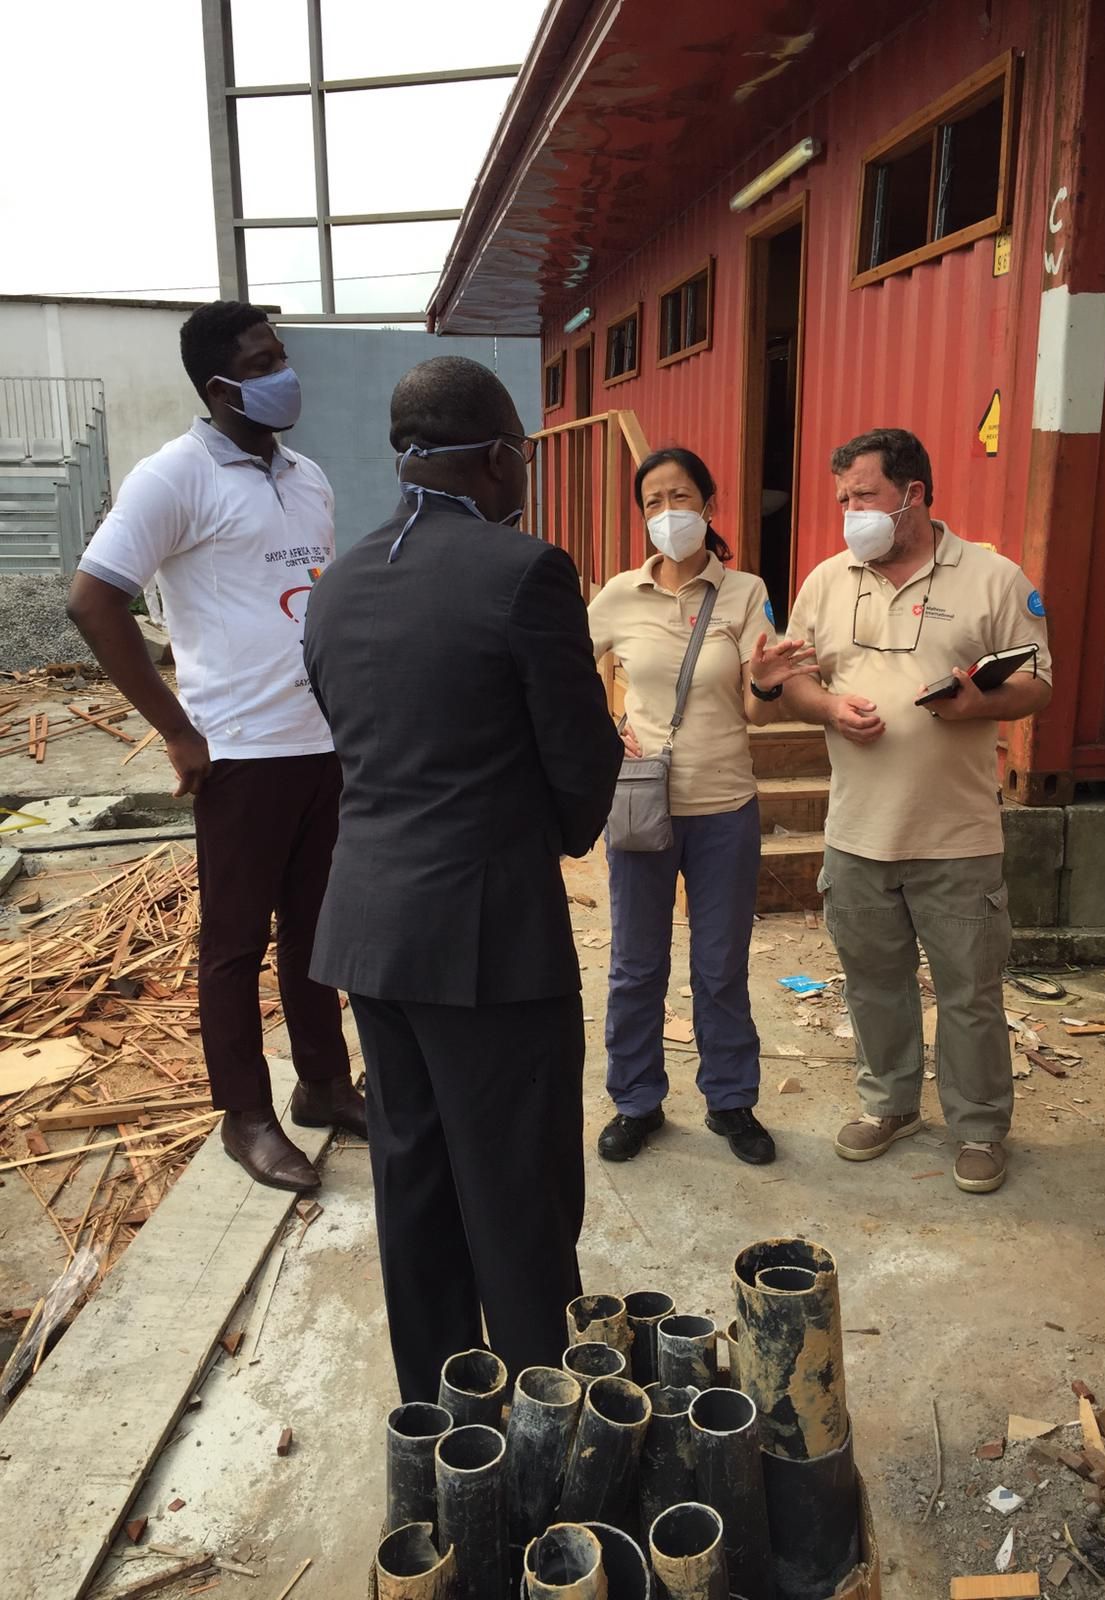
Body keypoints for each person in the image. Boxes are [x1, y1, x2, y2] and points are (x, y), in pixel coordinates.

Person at [302, 356, 622, 1401]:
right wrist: (555, 826)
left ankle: (443, 1422)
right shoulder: (525, 572)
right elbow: (580, 765)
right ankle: (542, 1427)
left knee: (417, 1181)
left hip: (370, 934)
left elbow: (356, 736)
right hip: (490, 942)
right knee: (518, 1195)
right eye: (520, 453)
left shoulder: (337, 585)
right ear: (494, 457)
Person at [66, 301, 362, 1196]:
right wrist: (177, 730)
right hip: (238, 753)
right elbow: (93, 601)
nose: (284, 375)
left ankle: (322, 1084)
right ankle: (246, 1116)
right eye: (264, 362)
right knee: (234, 945)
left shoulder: (307, 476)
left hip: (321, 744)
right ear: (219, 385)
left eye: (282, 355)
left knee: (316, 930)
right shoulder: (174, 476)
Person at [783, 428, 1052, 1194]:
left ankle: (979, 1127)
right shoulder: (827, 581)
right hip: (856, 835)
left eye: (864, 496)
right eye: (843, 499)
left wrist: (977, 703)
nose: (851, 512)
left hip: (956, 836)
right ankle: (890, 1104)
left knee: (970, 993)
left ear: (914, 494)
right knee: (873, 982)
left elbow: (1038, 682)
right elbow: (792, 681)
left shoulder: (993, 578)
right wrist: (828, 707)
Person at [587, 447, 814, 1167]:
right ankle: (636, 1101)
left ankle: (730, 1100)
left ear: (709, 507)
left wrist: (768, 682)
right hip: (640, 805)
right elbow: (563, 675)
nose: (667, 512)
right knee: (635, 966)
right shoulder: (618, 596)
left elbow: (757, 710)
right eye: (652, 501)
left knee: (720, 966)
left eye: (680, 496)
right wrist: (606, 732)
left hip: (724, 807)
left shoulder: (744, 592)